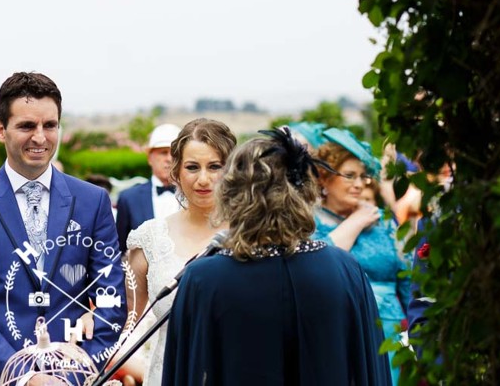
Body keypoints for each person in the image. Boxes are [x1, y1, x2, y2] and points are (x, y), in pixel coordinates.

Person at [161, 128, 392, 386]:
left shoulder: (205, 278)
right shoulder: (344, 269)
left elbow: (185, 374)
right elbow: (371, 371)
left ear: (233, 195)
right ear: (305, 194)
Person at [0, 72, 127, 386]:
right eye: (27, 126)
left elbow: (111, 298)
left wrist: (79, 372)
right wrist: (27, 378)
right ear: (1, 130)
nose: (40, 137)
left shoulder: (92, 201)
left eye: (50, 125)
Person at [123, 118, 236, 386]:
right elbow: (129, 326)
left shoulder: (254, 234)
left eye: (215, 166)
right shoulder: (149, 238)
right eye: (192, 167)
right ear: (177, 171)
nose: (203, 179)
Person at [313, 128, 411, 386]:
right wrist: (355, 222)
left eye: (363, 177)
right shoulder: (311, 225)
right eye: (349, 176)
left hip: (390, 333)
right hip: (337, 332)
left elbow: (407, 280)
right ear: (324, 178)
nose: (360, 184)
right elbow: (318, 263)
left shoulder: (384, 224)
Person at [116, 123, 181, 252]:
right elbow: (120, 249)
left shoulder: (195, 196)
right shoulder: (129, 198)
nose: (169, 159)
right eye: (163, 153)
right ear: (149, 158)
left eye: (174, 153)